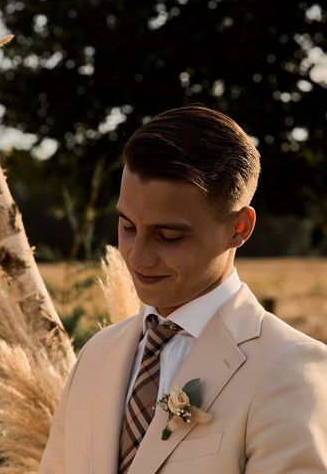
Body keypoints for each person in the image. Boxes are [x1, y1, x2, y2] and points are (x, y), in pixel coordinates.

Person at [40, 106, 327, 473]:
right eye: (127, 227)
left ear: (239, 227)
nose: (138, 257)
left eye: (169, 235)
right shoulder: (96, 356)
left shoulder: (290, 370)